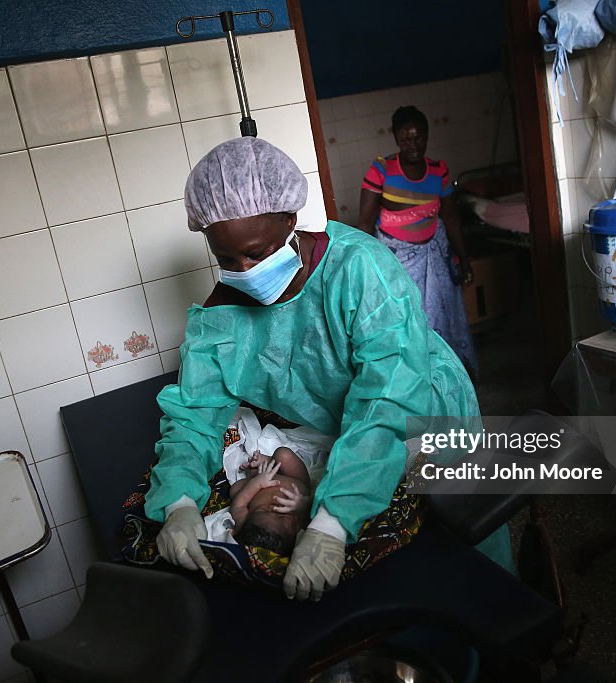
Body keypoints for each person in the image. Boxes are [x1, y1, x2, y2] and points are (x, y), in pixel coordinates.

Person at [145, 136, 508, 602]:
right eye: (227, 259)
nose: (245, 269)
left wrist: (332, 523)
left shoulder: (359, 269)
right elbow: (193, 414)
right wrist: (178, 504)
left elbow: (389, 395)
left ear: (289, 220)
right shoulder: (220, 319)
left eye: (256, 253)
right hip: (349, 429)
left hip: (430, 410)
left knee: (465, 542)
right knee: (407, 576)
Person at [357, 105, 479, 377]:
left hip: (435, 254)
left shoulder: (439, 171)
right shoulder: (382, 170)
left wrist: (464, 259)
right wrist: (366, 271)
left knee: (443, 315)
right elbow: (365, 223)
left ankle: (447, 373)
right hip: (396, 257)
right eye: (406, 139)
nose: (413, 145)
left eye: (419, 138)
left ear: (427, 135)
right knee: (406, 317)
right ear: (396, 138)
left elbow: (451, 217)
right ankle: (413, 376)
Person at [228, 449, 312, 555]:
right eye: (282, 516)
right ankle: (265, 467)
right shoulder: (301, 530)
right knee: (284, 455)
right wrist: (303, 505)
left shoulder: (244, 524)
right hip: (296, 481)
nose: (273, 508)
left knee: (235, 490)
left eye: (263, 510)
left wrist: (256, 483)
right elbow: (317, 513)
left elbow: (238, 505)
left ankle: (264, 466)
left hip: (260, 482)